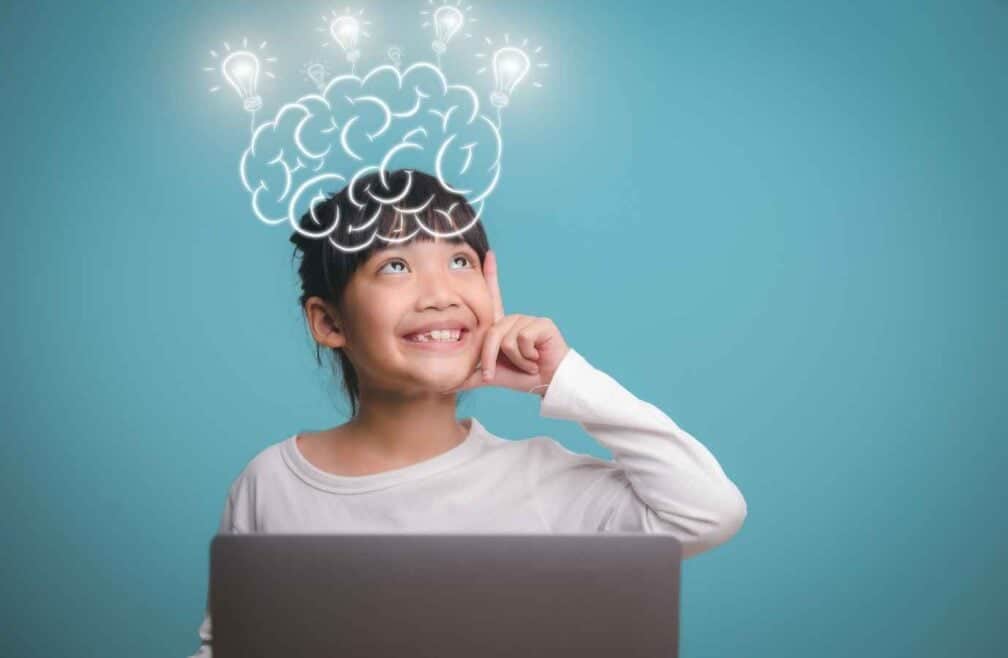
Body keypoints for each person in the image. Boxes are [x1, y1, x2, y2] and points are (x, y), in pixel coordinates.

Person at [188, 169, 747, 658]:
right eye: (395, 266)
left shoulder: (541, 481)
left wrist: (563, 378)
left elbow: (708, 511)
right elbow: (231, 646)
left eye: (460, 261)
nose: (439, 294)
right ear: (329, 322)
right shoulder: (271, 482)